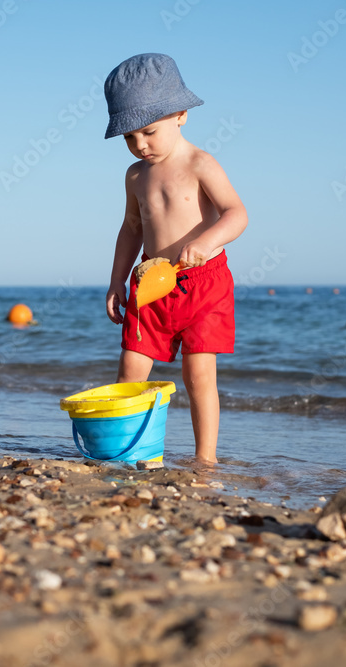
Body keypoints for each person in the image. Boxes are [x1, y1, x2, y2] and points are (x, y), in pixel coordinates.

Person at [103, 53, 247, 465]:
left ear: (180, 115)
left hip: (204, 283)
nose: (140, 144)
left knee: (198, 375)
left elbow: (237, 214)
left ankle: (205, 459)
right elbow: (131, 228)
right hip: (150, 282)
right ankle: (125, 450)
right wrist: (116, 281)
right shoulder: (135, 176)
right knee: (131, 367)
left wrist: (207, 241)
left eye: (148, 131)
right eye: (130, 137)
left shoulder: (200, 164)